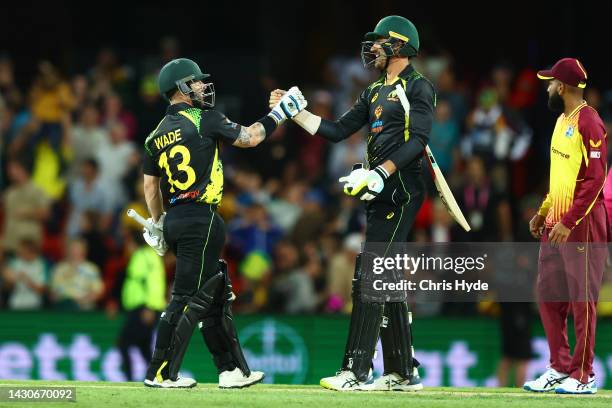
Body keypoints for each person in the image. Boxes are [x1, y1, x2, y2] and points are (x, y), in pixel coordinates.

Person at [270, 15, 433, 391]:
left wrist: (381, 173)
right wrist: (297, 114)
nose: (372, 48)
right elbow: (337, 130)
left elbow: (418, 140)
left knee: (371, 272)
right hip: (380, 189)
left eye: (379, 42)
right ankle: (402, 371)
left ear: (398, 45)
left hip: (403, 187)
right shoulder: (374, 91)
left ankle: (356, 370)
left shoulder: (418, 86)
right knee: (386, 274)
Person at [141, 58, 306, 388]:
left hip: (176, 217)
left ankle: (231, 371)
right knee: (186, 297)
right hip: (200, 217)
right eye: (197, 82)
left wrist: (158, 224)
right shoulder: (204, 119)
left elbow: (150, 186)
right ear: (182, 87)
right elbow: (250, 137)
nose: (203, 87)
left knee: (215, 297)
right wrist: (280, 113)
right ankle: (160, 372)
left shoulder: (154, 135)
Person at [525, 58, 607, 394]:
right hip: (556, 222)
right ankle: (559, 368)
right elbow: (561, 179)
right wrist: (544, 212)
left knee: (581, 301)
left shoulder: (590, 121)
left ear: (561, 87)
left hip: (583, 223)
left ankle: (583, 375)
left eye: (549, 83)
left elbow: (595, 179)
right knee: (548, 295)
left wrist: (569, 220)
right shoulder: (561, 121)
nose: (546, 88)